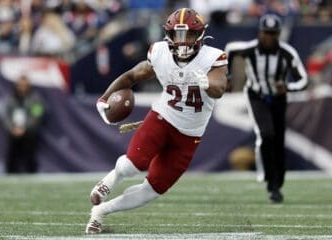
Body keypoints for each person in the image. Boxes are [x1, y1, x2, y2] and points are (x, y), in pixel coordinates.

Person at [85, 8, 228, 234]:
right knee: (133, 165)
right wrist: (104, 98)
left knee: (153, 189)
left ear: (200, 35)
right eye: (177, 35)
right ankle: (109, 181)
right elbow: (132, 76)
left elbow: (219, 88)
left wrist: (207, 84)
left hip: (190, 135)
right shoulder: (160, 52)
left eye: (189, 35)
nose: (182, 42)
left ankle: (101, 211)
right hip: (162, 117)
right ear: (168, 35)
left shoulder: (212, 58)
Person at [225, 14, 308, 203]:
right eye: (266, 33)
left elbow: (303, 79)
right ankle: (271, 182)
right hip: (257, 97)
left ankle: (278, 182)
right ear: (260, 33)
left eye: (273, 33)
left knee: (278, 141)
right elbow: (230, 49)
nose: (269, 37)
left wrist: (288, 87)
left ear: (278, 34)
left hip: (279, 98)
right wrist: (227, 76)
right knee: (266, 133)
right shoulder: (250, 49)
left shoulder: (287, 53)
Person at [3, 74, 45, 173]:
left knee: (29, 156)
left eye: (24, 84)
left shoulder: (36, 99)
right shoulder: (11, 98)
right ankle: (10, 175)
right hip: (14, 132)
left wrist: (24, 128)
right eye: (20, 84)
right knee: (12, 156)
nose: (22, 87)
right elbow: (6, 116)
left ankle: (32, 174)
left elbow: (37, 115)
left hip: (29, 133)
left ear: (28, 85)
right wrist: (12, 128)